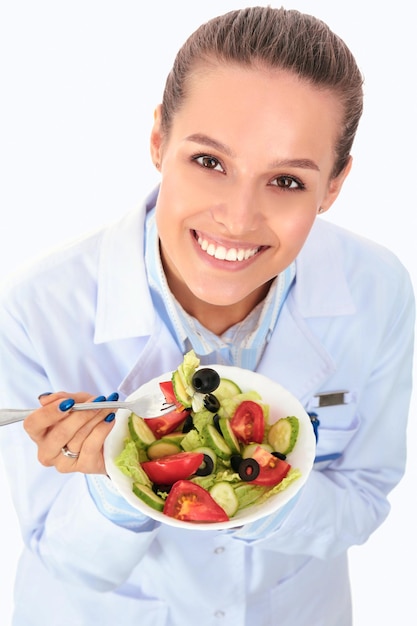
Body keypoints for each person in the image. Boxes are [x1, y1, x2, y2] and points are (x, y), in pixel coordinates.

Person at [0, 6, 414, 625]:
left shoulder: (378, 289)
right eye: (210, 163)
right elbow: (67, 562)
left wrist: (256, 492)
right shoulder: (39, 306)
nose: (238, 218)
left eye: (289, 181)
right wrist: (113, 483)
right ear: (159, 141)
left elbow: (362, 497)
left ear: (333, 185)